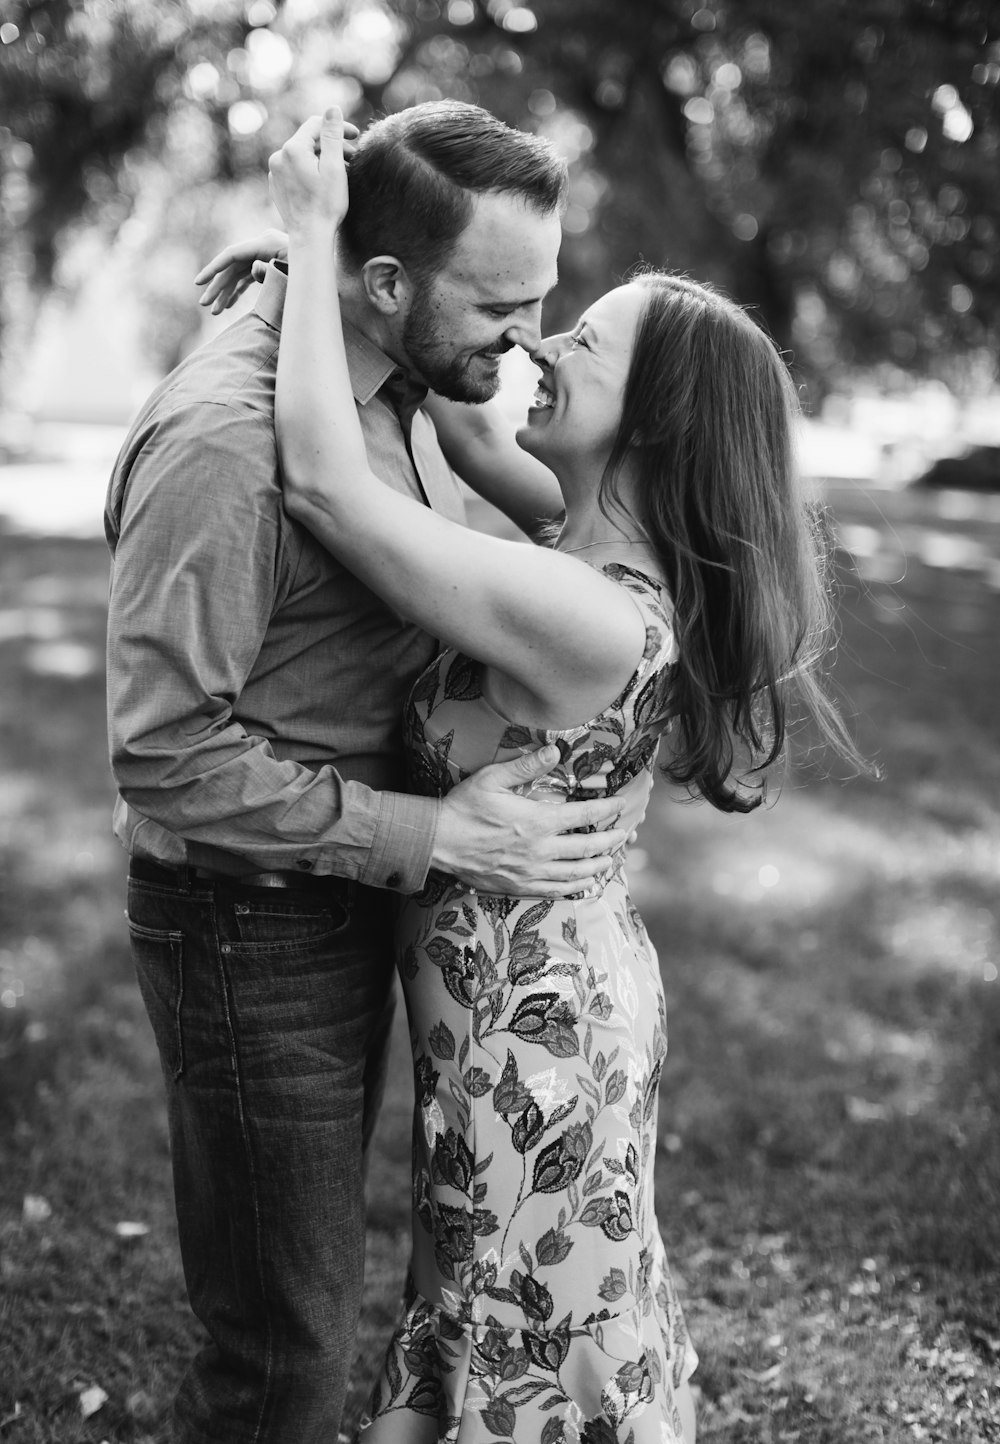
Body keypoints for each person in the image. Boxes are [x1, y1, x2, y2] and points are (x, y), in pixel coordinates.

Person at [224, 107, 867, 1444]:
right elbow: (465, 434)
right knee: (503, 1296)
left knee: (534, 1323)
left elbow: (334, 495)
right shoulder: (573, 536)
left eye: (583, 337)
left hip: (541, 1031)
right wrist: (396, 294)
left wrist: (311, 228)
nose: (541, 339)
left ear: (655, 420)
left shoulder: (588, 613)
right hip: (531, 1005)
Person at [104, 100, 645, 1444]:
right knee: (284, 1353)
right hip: (250, 921)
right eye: (500, 303)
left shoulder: (395, 377)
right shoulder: (232, 448)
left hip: (343, 896)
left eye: (545, 299)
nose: (525, 337)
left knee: (316, 1306)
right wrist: (434, 833)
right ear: (388, 283)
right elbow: (165, 756)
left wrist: (299, 254)